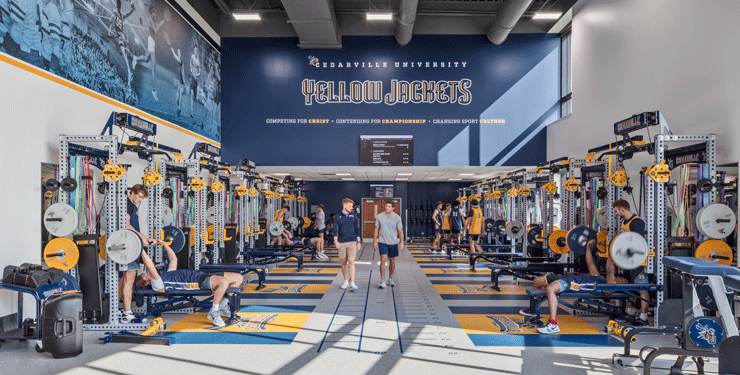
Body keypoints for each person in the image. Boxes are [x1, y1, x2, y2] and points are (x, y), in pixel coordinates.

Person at [522, 240, 627, 334]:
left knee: (550, 289)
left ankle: (553, 324)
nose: (620, 278)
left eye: (622, 281)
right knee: (536, 282)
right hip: (568, 277)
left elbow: (609, 270)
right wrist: (588, 247)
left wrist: (612, 251)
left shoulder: (609, 288)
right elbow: (590, 263)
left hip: (573, 283)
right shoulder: (599, 278)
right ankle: (534, 312)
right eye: (621, 277)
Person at [136, 240, 243, 328]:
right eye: (144, 276)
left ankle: (222, 306)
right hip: (196, 282)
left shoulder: (166, 276)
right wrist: (140, 249)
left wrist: (164, 243)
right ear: (146, 283)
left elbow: (173, 259)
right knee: (223, 282)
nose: (146, 274)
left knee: (238, 278)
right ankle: (214, 312)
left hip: (201, 275)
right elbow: (150, 265)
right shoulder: (157, 283)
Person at [607, 199, 650, 324]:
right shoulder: (624, 221)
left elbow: (638, 242)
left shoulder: (637, 222)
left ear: (622, 209)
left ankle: (644, 317)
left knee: (642, 288)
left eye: (616, 211)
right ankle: (630, 313)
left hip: (638, 262)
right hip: (627, 261)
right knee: (630, 287)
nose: (616, 213)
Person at [120, 184, 155, 323]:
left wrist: (145, 238)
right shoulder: (128, 204)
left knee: (124, 279)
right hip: (128, 247)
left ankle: (112, 309)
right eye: (139, 196)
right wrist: (141, 237)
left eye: (142, 198)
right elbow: (126, 225)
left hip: (132, 245)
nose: (140, 200)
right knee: (130, 278)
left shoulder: (132, 206)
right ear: (132, 192)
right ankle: (127, 313)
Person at [131, 4, 166, 101]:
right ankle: (154, 90)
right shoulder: (151, 20)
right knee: (153, 66)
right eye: (154, 12)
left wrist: (159, 26)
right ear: (152, 12)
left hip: (152, 41)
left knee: (146, 59)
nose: (156, 14)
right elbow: (155, 31)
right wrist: (160, 25)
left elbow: (157, 32)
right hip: (151, 41)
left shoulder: (154, 20)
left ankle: (136, 58)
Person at [332, 198, 361, 291]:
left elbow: (357, 229)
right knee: (344, 262)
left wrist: (358, 242)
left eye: (352, 206)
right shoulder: (337, 217)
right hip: (342, 242)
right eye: (350, 206)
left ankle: (352, 282)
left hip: (352, 241)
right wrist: (336, 241)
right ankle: (345, 281)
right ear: (344, 206)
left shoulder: (354, 215)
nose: (351, 208)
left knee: (351, 261)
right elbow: (335, 230)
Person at [373, 200, 403, 289]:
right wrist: (375, 241)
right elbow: (376, 229)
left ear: (393, 208)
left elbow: (400, 231)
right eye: (386, 206)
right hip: (382, 241)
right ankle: (382, 280)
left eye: (389, 206)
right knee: (383, 259)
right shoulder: (379, 216)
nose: (387, 207)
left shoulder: (397, 218)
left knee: (392, 260)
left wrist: (401, 242)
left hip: (393, 242)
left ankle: (390, 278)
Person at [465, 199, 484, 270]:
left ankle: (474, 259)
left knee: (472, 245)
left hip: (472, 230)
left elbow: (469, 221)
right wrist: (482, 231)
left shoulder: (471, 210)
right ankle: (482, 254)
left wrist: (465, 229)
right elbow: (483, 222)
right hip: (478, 231)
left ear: (471, 204)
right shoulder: (480, 210)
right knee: (476, 244)